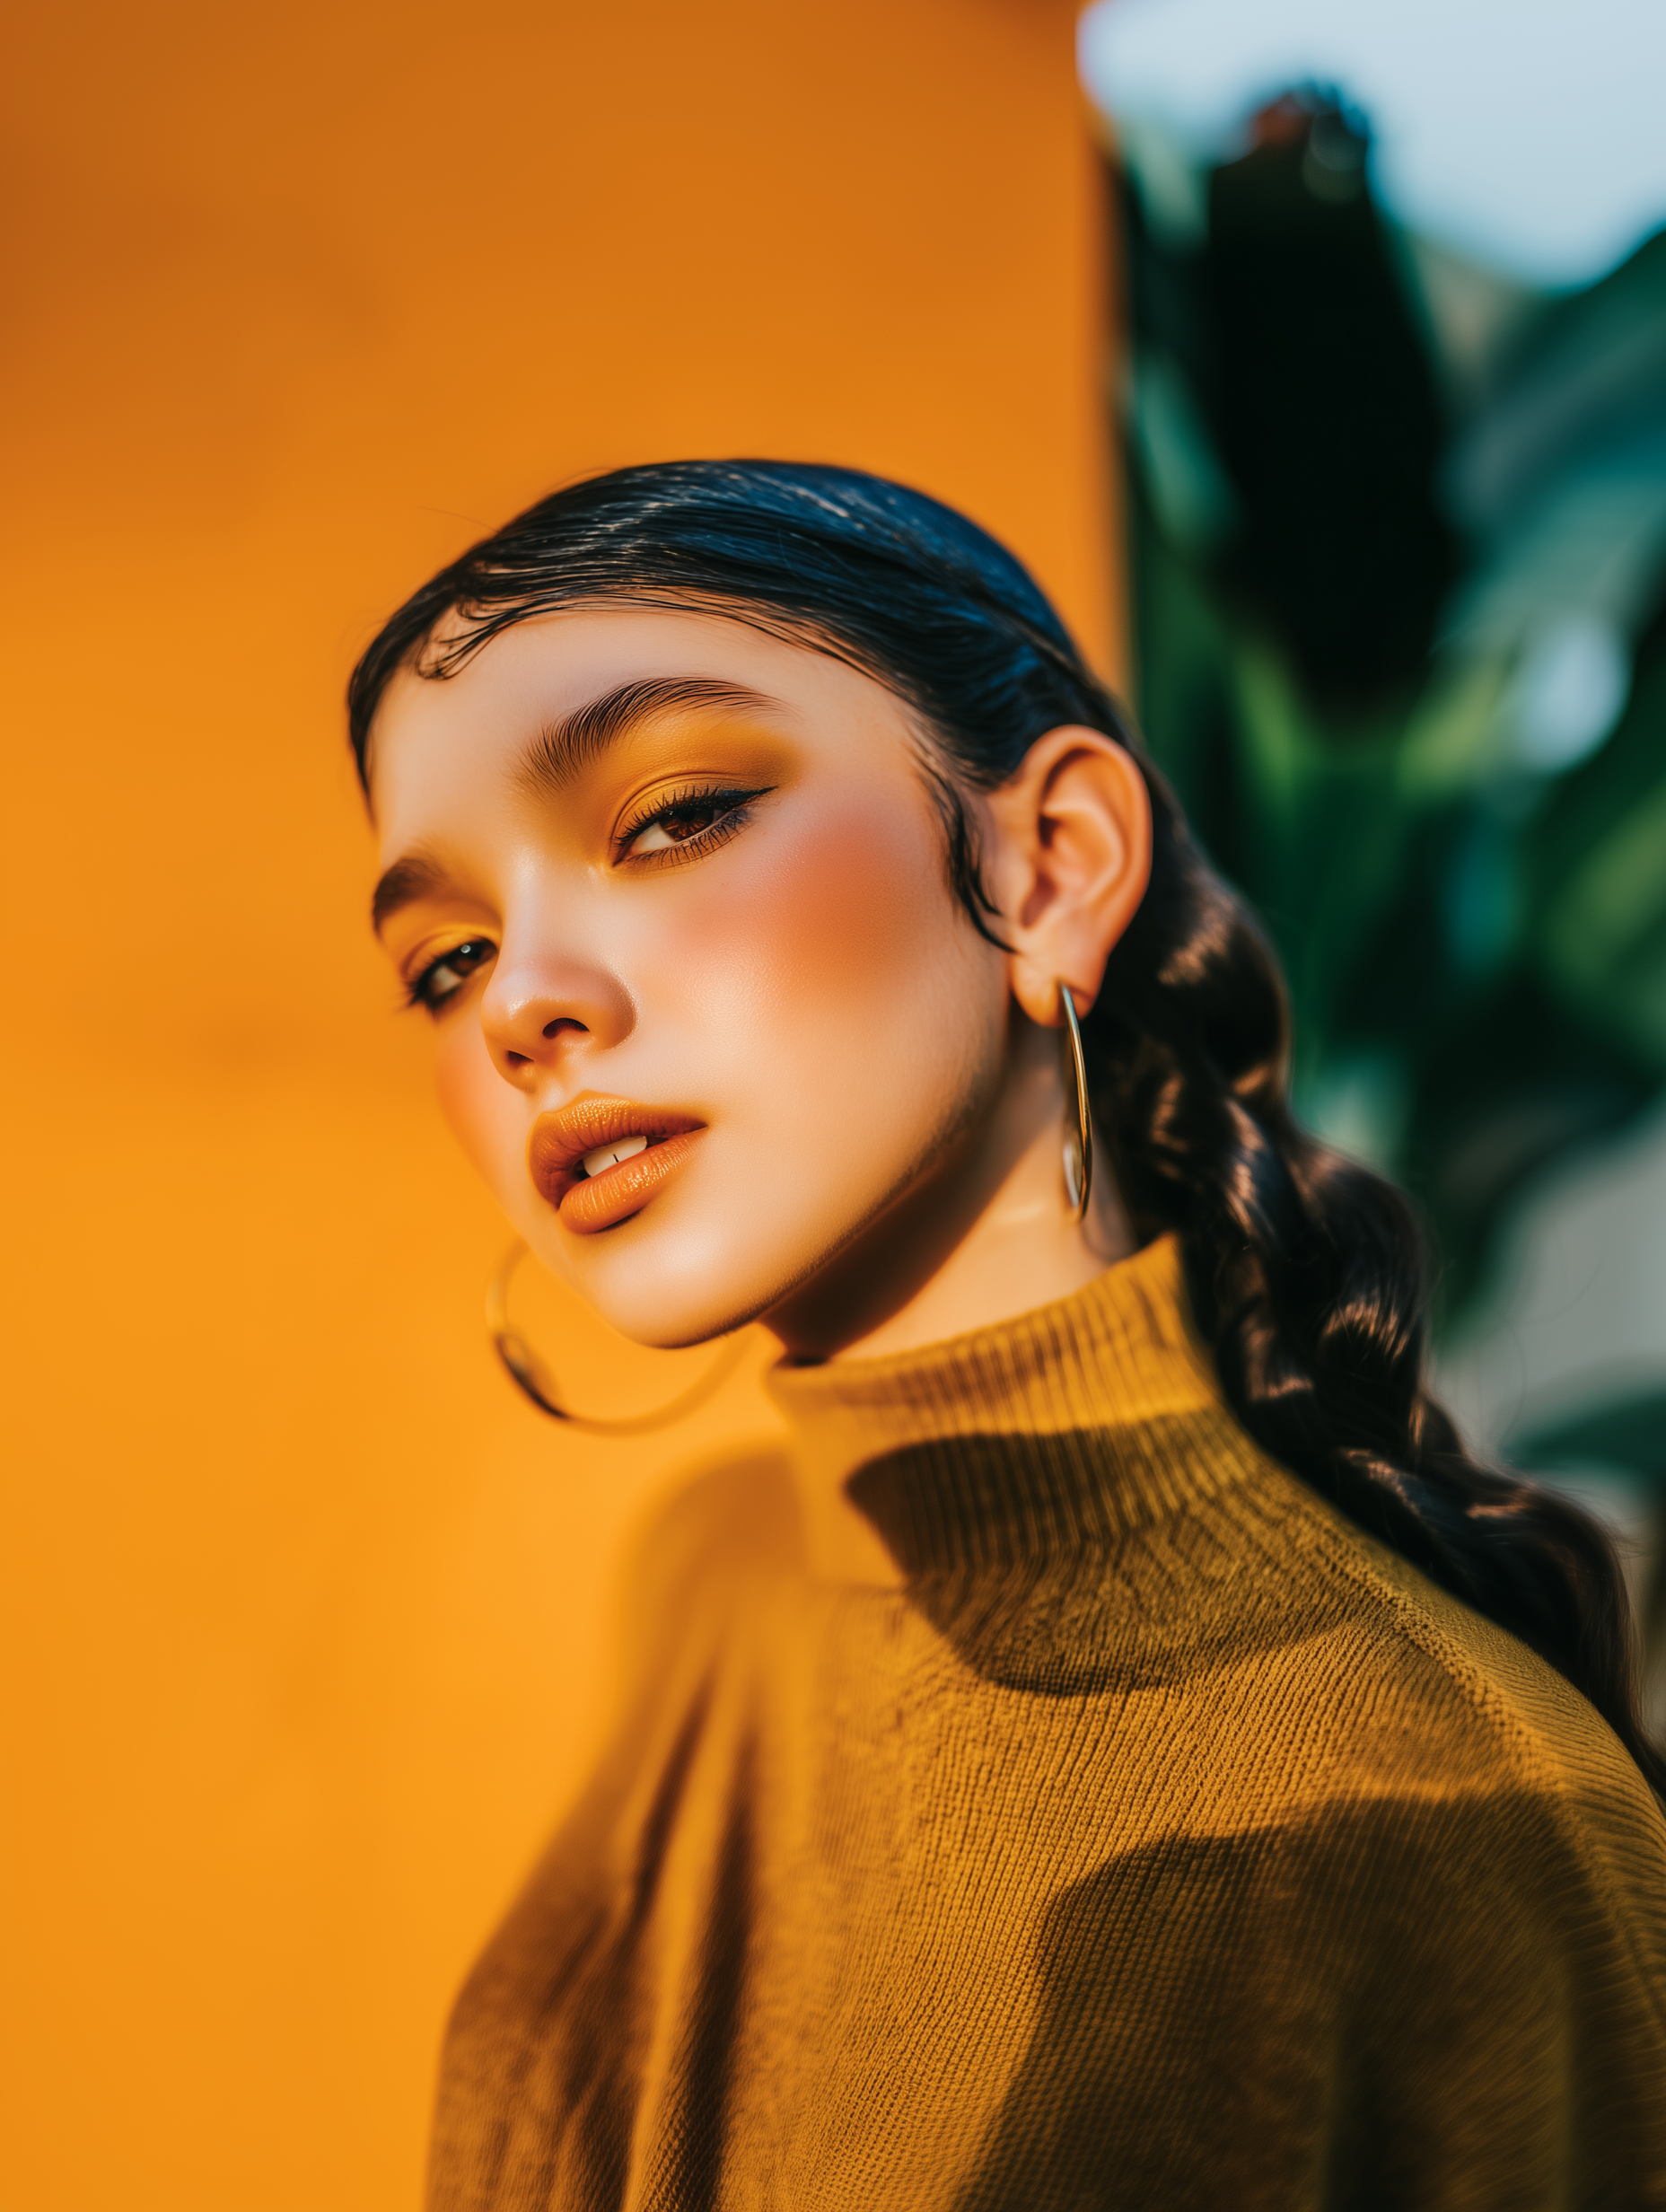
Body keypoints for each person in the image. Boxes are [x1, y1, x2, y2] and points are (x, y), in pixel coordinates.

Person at [349, 461, 1665, 2212]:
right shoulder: (716, 1579)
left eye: (670, 814)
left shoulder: (1447, 1815)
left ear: (1048, 866)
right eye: (447, 957)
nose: (521, 1002)